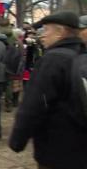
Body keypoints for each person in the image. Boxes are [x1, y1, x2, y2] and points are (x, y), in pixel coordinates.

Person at [9, 12, 87, 169]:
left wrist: (18, 138)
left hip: (57, 146)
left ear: (61, 32)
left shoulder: (53, 59)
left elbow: (34, 103)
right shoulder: (81, 55)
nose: (42, 36)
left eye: (46, 30)